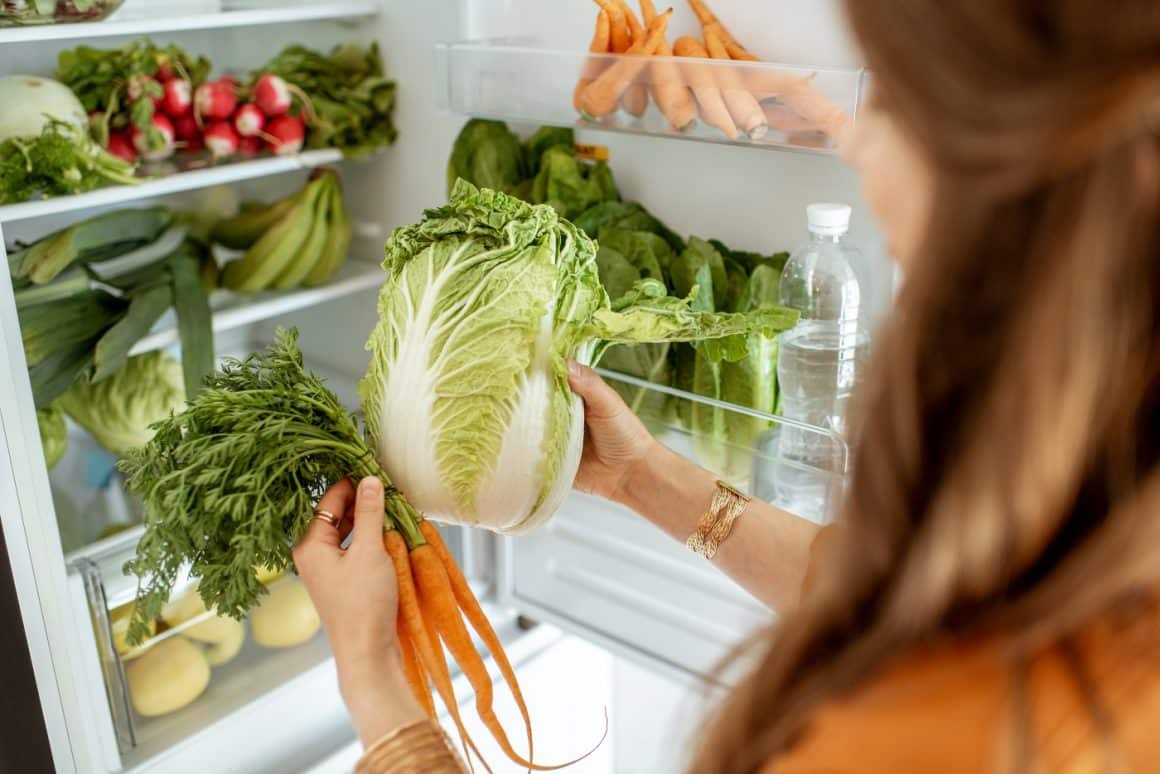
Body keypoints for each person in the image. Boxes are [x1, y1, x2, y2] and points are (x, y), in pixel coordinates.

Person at [292, 1, 1160, 771]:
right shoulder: (1085, 531)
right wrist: (643, 479)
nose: (854, 138)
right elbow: (874, 589)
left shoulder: (966, 732)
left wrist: (372, 678)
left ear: (1010, 167)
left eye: (890, 97)